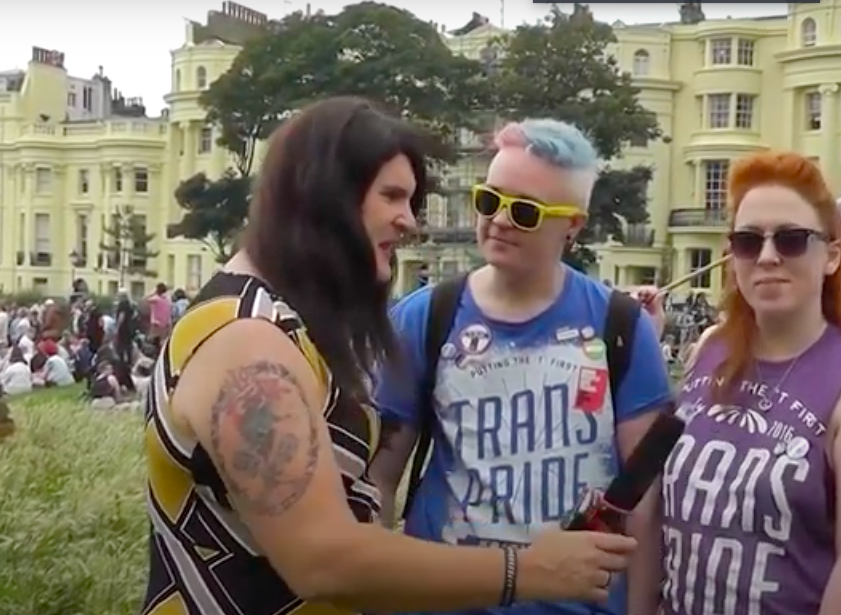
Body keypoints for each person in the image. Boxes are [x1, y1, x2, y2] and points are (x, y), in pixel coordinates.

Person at [140, 99, 633, 615]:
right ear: (325, 194)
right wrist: (527, 570)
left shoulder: (283, 324)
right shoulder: (246, 340)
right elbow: (323, 560)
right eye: (392, 196)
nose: (409, 222)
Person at [369, 118, 669, 615]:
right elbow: (380, 478)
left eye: (526, 211)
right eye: (489, 201)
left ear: (572, 225)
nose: (500, 220)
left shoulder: (621, 326)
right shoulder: (426, 316)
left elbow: (644, 503)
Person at [658, 152, 841, 615]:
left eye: (791, 240)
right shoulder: (710, 347)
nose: (768, 257)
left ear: (831, 256)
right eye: (748, 241)